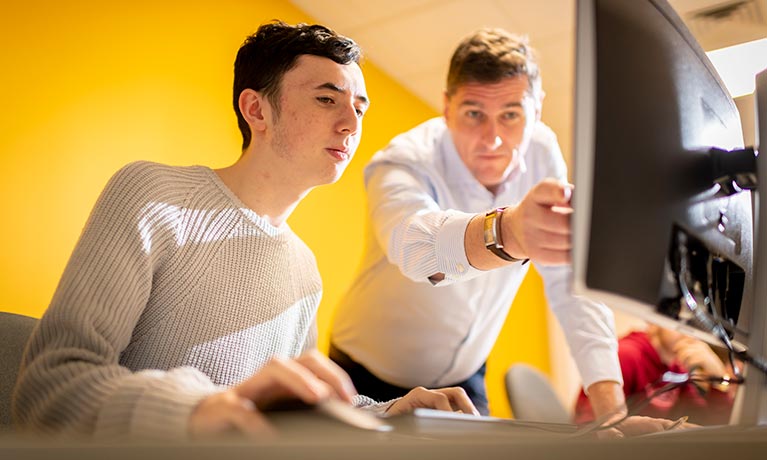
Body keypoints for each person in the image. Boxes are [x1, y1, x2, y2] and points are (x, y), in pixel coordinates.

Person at [11, 21, 477, 441]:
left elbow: (296, 401)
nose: (352, 124)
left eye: (360, 107)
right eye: (326, 99)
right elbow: (52, 384)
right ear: (256, 109)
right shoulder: (152, 195)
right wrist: (200, 411)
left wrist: (393, 410)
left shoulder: (303, 267)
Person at [330, 27, 628, 422]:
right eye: (474, 113)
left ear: (537, 109)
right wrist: (509, 232)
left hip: (464, 374)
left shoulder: (542, 151)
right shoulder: (403, 160)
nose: (493, 140)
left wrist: (613, 412)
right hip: (365, 374)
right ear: (447, 106)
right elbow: (413, 246)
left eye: (511, 115)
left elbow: (568, 282)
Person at [573, 324, 738, 425]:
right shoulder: (626, 355)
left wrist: (718, 380)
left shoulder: (679, 366)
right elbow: (591, 427)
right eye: (679, 319)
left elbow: (709, 421)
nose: (690, 330)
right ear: (652, 320)